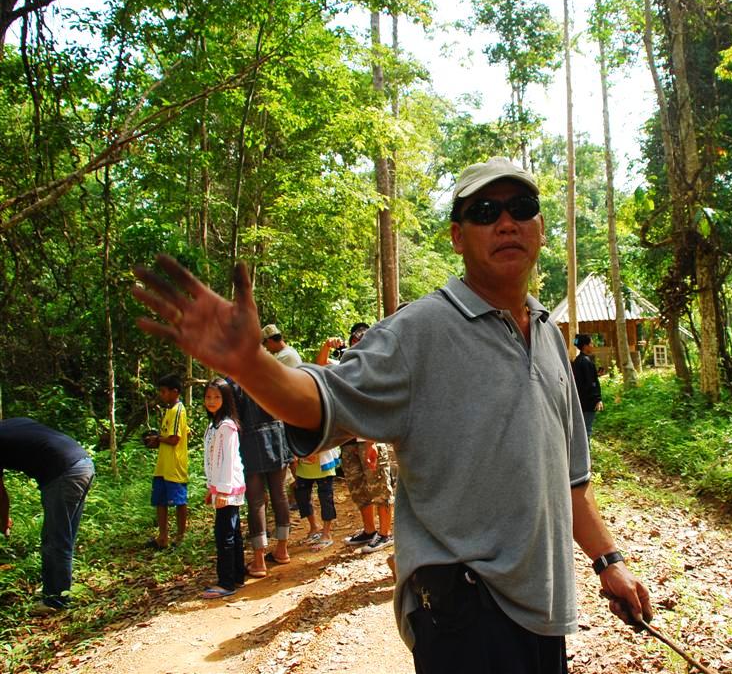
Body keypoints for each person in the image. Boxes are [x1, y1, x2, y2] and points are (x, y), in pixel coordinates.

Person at [131, 156, 652, 673]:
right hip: (465, 610)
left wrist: (609, 562)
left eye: (521, 207)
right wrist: (252, 365)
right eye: (485, 212)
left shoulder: (549, 337)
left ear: (540, 226)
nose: (506, 222)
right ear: (457, 236)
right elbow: (323, 398)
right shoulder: (418, 333)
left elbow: (571, 480)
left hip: (547, 608)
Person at [0, 418, 95, 615]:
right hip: (82, 462)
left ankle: (56, 601)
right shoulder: (13, 424)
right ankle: (55, 589)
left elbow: (0, 494)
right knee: (62, 537)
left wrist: (3, 521)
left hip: (64, 473)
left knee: (55, 540)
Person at [315, 325, 395, 555]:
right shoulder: (345, 369)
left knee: (379, 487)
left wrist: (372, 442)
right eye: (353, 344)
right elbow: (320, 366)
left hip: (370, 437)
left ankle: (385, 534)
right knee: (358, 488)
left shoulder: (376, 369)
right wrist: (326, 346)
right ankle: (369, 531)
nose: (356, 348)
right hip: (348, 439)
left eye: (360, 343)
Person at [231, 381, 293, 577]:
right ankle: (282, 549)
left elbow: (233, 418)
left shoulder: (235, 383)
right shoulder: (267, 375)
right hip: (276, 436)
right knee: (280, 495)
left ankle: (259, 560)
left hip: (250, 442)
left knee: (256, 501)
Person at [201, 378, 247, 599]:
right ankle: (237, 576)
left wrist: (223, 491)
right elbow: (213, 460)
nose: (211, 401)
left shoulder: (227, 426)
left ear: (226, 399)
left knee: (224, 535)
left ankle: (226, 582)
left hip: (228, 488)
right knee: (232, 532)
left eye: (217, 397)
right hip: (221, 487)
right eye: (208, 397)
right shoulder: (214, 425)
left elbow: (228, 461)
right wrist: (211, 488)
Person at [145, 374, 189, 549]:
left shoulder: (178, 410)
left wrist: (158, 438)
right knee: (160, 500)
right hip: (163, 466)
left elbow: (174, 439)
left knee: (179, 501)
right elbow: (167, 437)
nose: (161, 395)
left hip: (174, 466)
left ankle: (180, 537)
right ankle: (162, 538)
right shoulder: (169, 411)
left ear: (175, 392)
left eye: (164, 391)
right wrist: (156, 441)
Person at [294, 446, 340, 550]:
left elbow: (329, 438)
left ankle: (326, 534)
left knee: (326, 498)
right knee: (301, 496)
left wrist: (314, 451)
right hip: (303, 465)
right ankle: (314, 527)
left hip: (324, 462)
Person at [571, 334, 604, 439]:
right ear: (585, 346)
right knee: (586, 431)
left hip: (579, 402)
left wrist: (596, 374)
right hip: (588, 403)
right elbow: (591, 384)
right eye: (591, 343)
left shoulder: (577, 361)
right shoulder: (586, 362)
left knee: (581, 431)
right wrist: (597, 399)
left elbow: (583, 380)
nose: (593, 345)